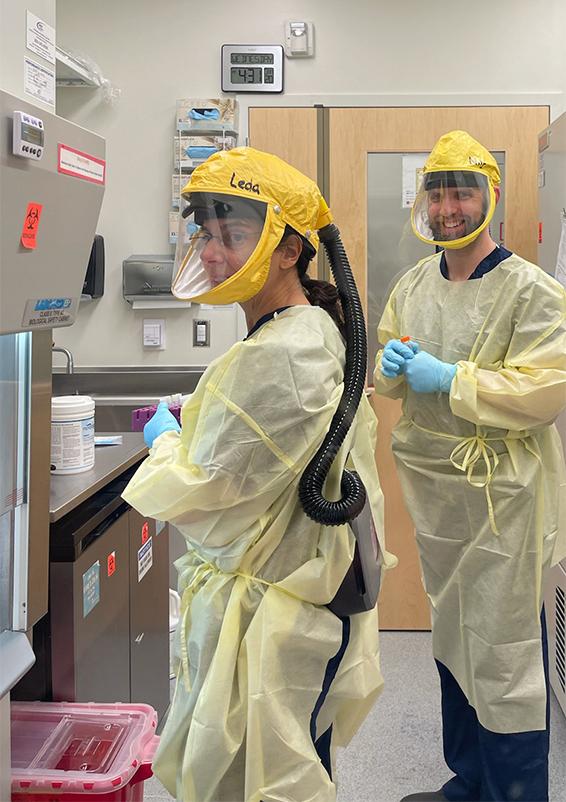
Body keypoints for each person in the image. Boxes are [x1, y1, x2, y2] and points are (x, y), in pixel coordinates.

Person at [123, 146, 396, 802]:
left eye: (235, 235)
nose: (213, 252)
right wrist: (201, 424)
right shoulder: (302, 330)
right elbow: (265, 455)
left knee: (266, 784)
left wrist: (164, 442)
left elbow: (195, 494)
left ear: (287, 250)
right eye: (207, 235)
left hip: (274, 620)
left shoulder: (280, 355)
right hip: (303, 600)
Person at [374, 130, 566, 802]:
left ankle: (515, 795)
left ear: (489, 197)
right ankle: (470, 783)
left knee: (505, 655)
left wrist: (451, 377)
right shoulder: (415, 283)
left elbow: (544, 392)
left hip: (502, 502)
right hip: (438, 500)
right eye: (438, 191)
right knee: (453, 637)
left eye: (462, 190)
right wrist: (393, 368)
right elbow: (390, 364)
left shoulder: (530, 290)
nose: (449, 205)